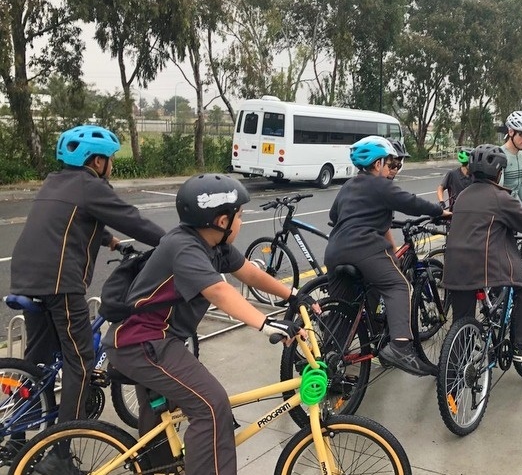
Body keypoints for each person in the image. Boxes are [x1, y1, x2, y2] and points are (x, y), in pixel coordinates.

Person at [104, 174, 316, 475]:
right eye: (239, 215)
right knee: (212, 407)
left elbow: (249, 273)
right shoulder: (185, 247)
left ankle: (160, 468)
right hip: (144, 342)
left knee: (165, 411)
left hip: (156, 341)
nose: (241, 222)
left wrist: (295, 295)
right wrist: (266, 323)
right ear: (220, 220)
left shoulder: (214, 245)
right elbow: (219, 291)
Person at [8, 125, 165, 450]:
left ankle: (17, 437)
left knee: (36, 363)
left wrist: (108, 240)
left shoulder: (55, 181)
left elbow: (66, 219)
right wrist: (176, 243)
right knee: (80, 361)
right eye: (109, 159)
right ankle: (60, 453)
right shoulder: (92, 187)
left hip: (26, 277)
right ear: (96, 162)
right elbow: (134, 221)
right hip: (59, 284)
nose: (112, 166)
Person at [325, 136, 449, 377]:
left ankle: (329, 358)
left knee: (344, 310)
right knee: (398, 285)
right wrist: (440, 211)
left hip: (335, 251)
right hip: (364, 249)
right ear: (378, 163)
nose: (394, 169)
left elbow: (334, 216)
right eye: (391, 163)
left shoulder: (349, 186)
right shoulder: (381, 186)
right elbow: (411, 202)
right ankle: (400, 347)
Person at [442, 144, 522, 361]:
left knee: (461, 322)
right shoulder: (501, 198)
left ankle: (454, 372)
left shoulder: (463, 195)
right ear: (499, 173)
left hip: (454, 266)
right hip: (485, 266)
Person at [501, 111, 522, 210]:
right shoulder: (500, 155)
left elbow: (521, 186)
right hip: (501, 209)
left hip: (513, 207)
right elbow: (498, 191)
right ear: (511, 132)